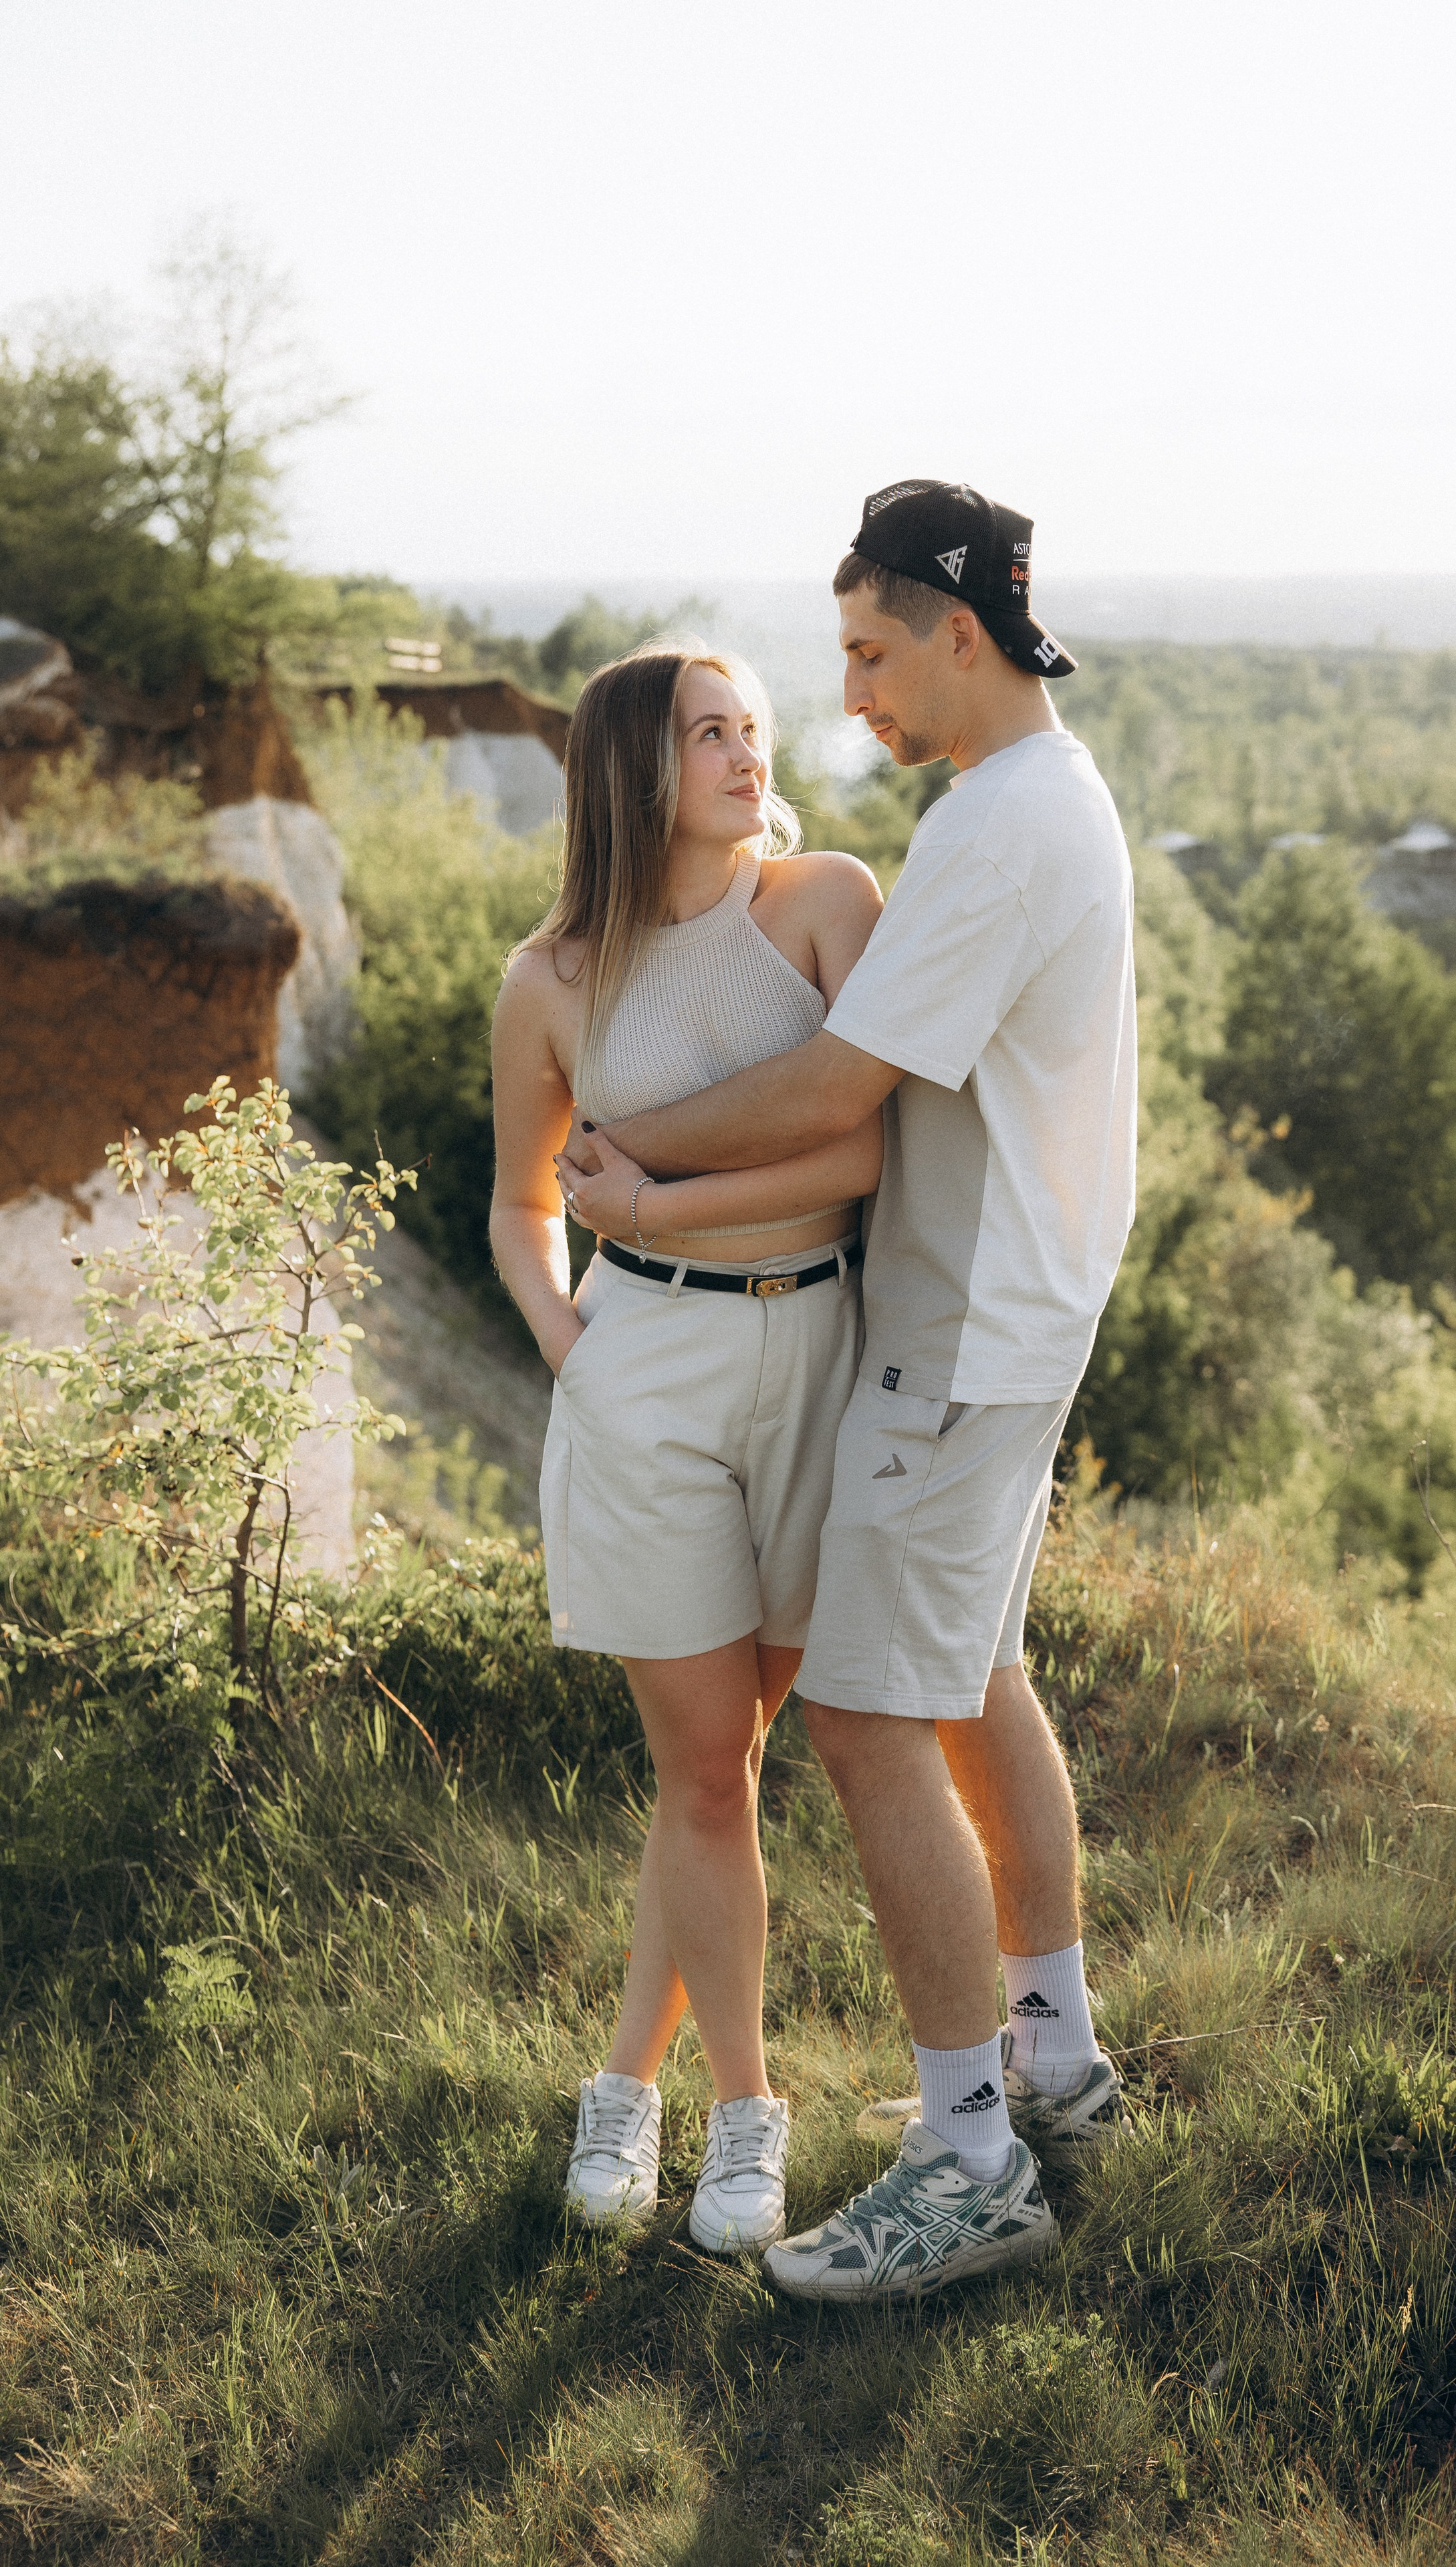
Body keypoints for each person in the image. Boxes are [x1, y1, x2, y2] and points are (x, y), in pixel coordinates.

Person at [560, 482, 1139, 2300]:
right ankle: (1054, 2052)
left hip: (956, 1338)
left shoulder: (990, 836)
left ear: (958, 632)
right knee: (974, 1677)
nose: (855, 698)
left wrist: (628, 1146)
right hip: (1017, 1314)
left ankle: (965, 2155)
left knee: (873, 1719)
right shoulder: (1051, 797)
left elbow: (835, 1095)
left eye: (873, 653)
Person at [489, 640, 882, 2255]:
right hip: (646, 1369)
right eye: (706, 732)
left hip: (822, 1355)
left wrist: (650, 1197)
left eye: (752, 730)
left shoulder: (822, 902)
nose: (743, 753)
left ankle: (615, 2078)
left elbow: (861, 1142)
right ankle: (741, 2115)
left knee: (717, 1772)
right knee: (703, 1776)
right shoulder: (552, 980)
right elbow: (520, 1208)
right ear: (632, 769)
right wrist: (580, 1348)